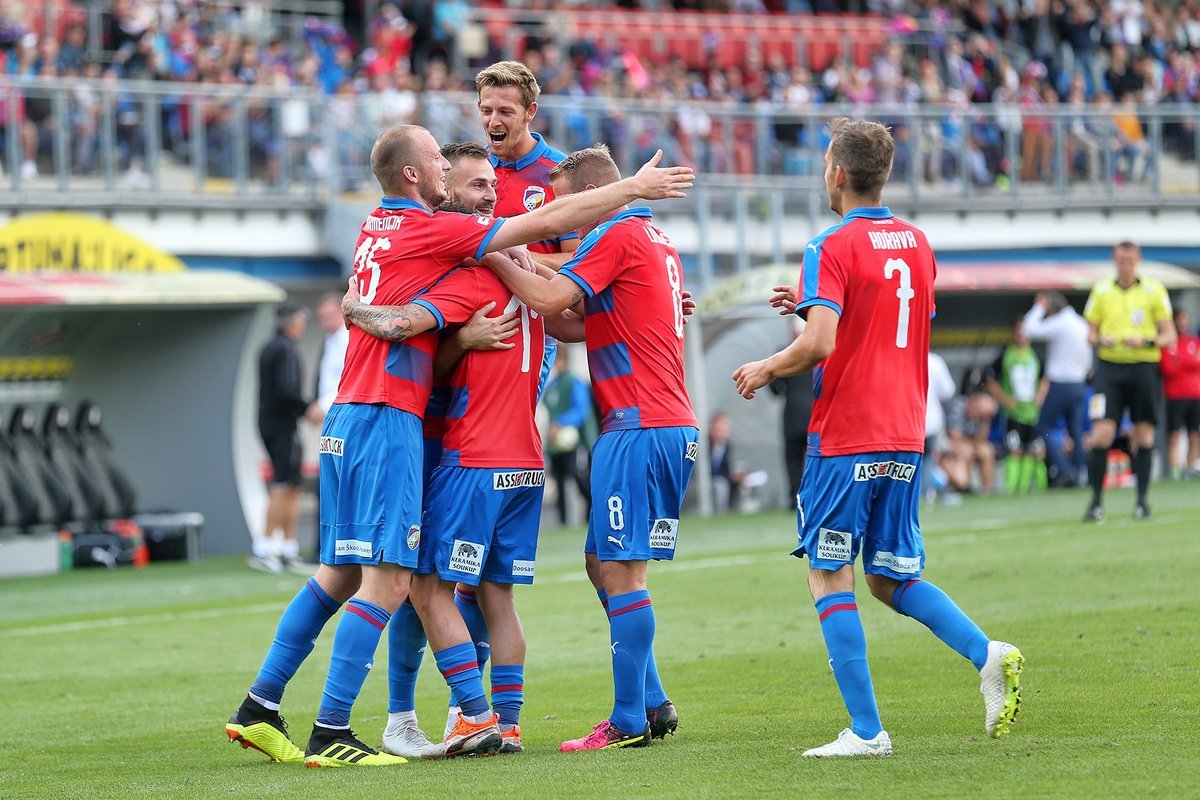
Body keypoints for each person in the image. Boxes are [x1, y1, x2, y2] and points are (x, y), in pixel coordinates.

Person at [223, 124, 694, 768]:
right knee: (402, 583)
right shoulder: (446, 238)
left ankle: (265, 705)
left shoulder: (382, 228)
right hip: (405, 426)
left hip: (376, 422)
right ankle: (380, 724)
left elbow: (550, 296)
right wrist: (632, 195)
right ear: (417, 177)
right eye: (462, 178)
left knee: (357, 577)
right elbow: (518, 266)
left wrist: (640, 300)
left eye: (488, 183)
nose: (482, 193)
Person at [732, 118, 1023, 757]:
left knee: (829, 575)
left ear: (837, 173)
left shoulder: (829, 244)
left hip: (847, 434)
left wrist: (768, 366)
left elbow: (821, 344)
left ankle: (867, 732)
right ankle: (987, 653)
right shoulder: (917, 242)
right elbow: (888, 316)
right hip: (905, 433)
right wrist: (810, 302)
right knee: (889, 578)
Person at [482, 144, 699, 752]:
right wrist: (525, 274)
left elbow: (550, 301)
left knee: (623, 573)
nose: (563, 220)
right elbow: (573, 322)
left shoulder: (616, 234)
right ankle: (652, 700)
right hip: (657, 423)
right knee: (600, 562)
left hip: (639, 426)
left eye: (565, 205)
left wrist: (492, 254)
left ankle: (627, 721)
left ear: (589, 196)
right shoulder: (653, 238)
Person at [1082, 241, 1176, 523]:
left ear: (1138, 260)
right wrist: (1101, 339)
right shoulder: (1101, 290)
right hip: (1109, 369)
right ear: (1114, 259)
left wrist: (1146, 340)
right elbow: (1090, 333)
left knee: (1143, 435)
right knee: (1101, 434)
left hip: (1143, 368)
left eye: (1130, 259)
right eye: (1121, 259)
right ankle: (1096, 503)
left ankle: (1142, 502)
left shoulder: (1154, 290)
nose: (1125, 264)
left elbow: (1169, 335)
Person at [252, 301, 316, 574]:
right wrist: (308, 408)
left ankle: (288, 548)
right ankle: (264, 548)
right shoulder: (285, 349)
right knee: (282, 483)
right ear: (294, 322)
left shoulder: (270, 347)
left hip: (273, 423)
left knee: (292, 484)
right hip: (282, 426)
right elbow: (288, 391)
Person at [1021, 291, 1092, 487]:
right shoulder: (1080, 323)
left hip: (1061, 384)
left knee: (1043, 426)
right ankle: (1079, 473)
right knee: (1076, 431)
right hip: (1079, 384)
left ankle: (1066, 470)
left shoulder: (1061, 322)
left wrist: (1039, 307)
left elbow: (1029, 329)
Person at [985, 318, 1048, 494]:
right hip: (1013, 414)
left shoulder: (1035, 355)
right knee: (1014, 450)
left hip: (1032, 414)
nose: (1022, 334)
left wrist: (1040, 396)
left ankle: (1037, 489)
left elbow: (1044, 379)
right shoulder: (1006, 355)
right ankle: (1013, 489)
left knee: (1036, 451)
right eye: (1019, 330)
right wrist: (1004, 399)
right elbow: (989, 379)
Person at [542, 349, 595, 526]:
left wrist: (561, 422)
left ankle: (591, 512)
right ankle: (563, 521)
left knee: (580, 478)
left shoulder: (574, 381)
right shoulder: (552, 385)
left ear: (564, 361)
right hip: (555, 444)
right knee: (560, 482)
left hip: (575, 442)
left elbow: (580, 410)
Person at [768, 317, 816, 501]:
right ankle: (814, 496)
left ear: (793, 332)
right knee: (815, 459)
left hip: (793, 418)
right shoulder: (818, 352)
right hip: (814, 416)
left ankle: (794, 498)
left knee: (793, 460)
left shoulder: (783, 353)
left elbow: (775, 388)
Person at [1160, 309, 1200, 479]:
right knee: (1174, 435)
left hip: (1195, 395)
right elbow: (1168, 368)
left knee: (1194, 435)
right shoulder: (1167, 343)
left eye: (1185, 319)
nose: (1183, 323)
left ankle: (1191, 469)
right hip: (1175, 397)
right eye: (1180, 319)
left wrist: (1181, 362)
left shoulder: (1193, 341)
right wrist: (1190, 362)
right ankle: (1175, 471)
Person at [924, 351, 956, 501]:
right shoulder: (935, 362)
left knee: (910, 461)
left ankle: (918, 494)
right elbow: (948, 392)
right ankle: (926, 493)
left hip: (908, 424)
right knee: (928, 459)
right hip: (931, 422)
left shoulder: (902, 358)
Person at [708, 412, 745, 512]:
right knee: (720, 485)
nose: (721, 432)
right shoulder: (704, 444)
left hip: (723, 479)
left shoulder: (727, 445)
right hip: (709, 480)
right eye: (718, 429)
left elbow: (726, 468)